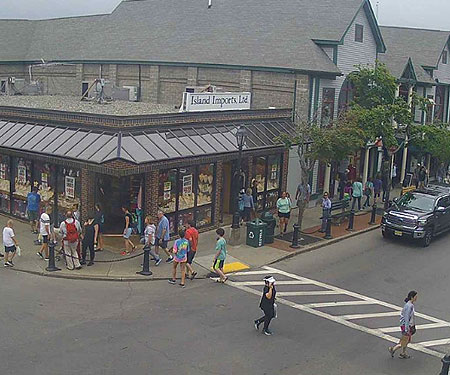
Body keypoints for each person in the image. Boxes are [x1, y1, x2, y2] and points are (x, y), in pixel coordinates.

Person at [389, 291, 418, 359]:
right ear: (412, 297)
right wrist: (406, 328)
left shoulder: (410, 305)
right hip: (406, 326)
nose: (416, 298)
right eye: (415, 296)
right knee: (404, 341)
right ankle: (393, 349)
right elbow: (407, 317)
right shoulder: (409, 306)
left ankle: (403, 353)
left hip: (408, 325)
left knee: (407, 340)